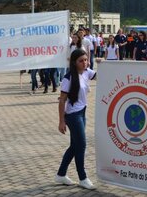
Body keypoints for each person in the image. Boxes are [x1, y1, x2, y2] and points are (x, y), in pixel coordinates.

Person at [55, 49, 97, 190]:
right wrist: (61, 121)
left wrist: (102, 64)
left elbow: (99, 75)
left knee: (75, 146)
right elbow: (62, 101)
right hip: (73, 115)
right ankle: (83, 178)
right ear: (74, 62)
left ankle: (61, 175)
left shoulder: (86, 72)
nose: (84, 63)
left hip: (82, 112)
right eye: (81, 60)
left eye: (86, 60)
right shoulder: (68, 78)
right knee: (81, 145)